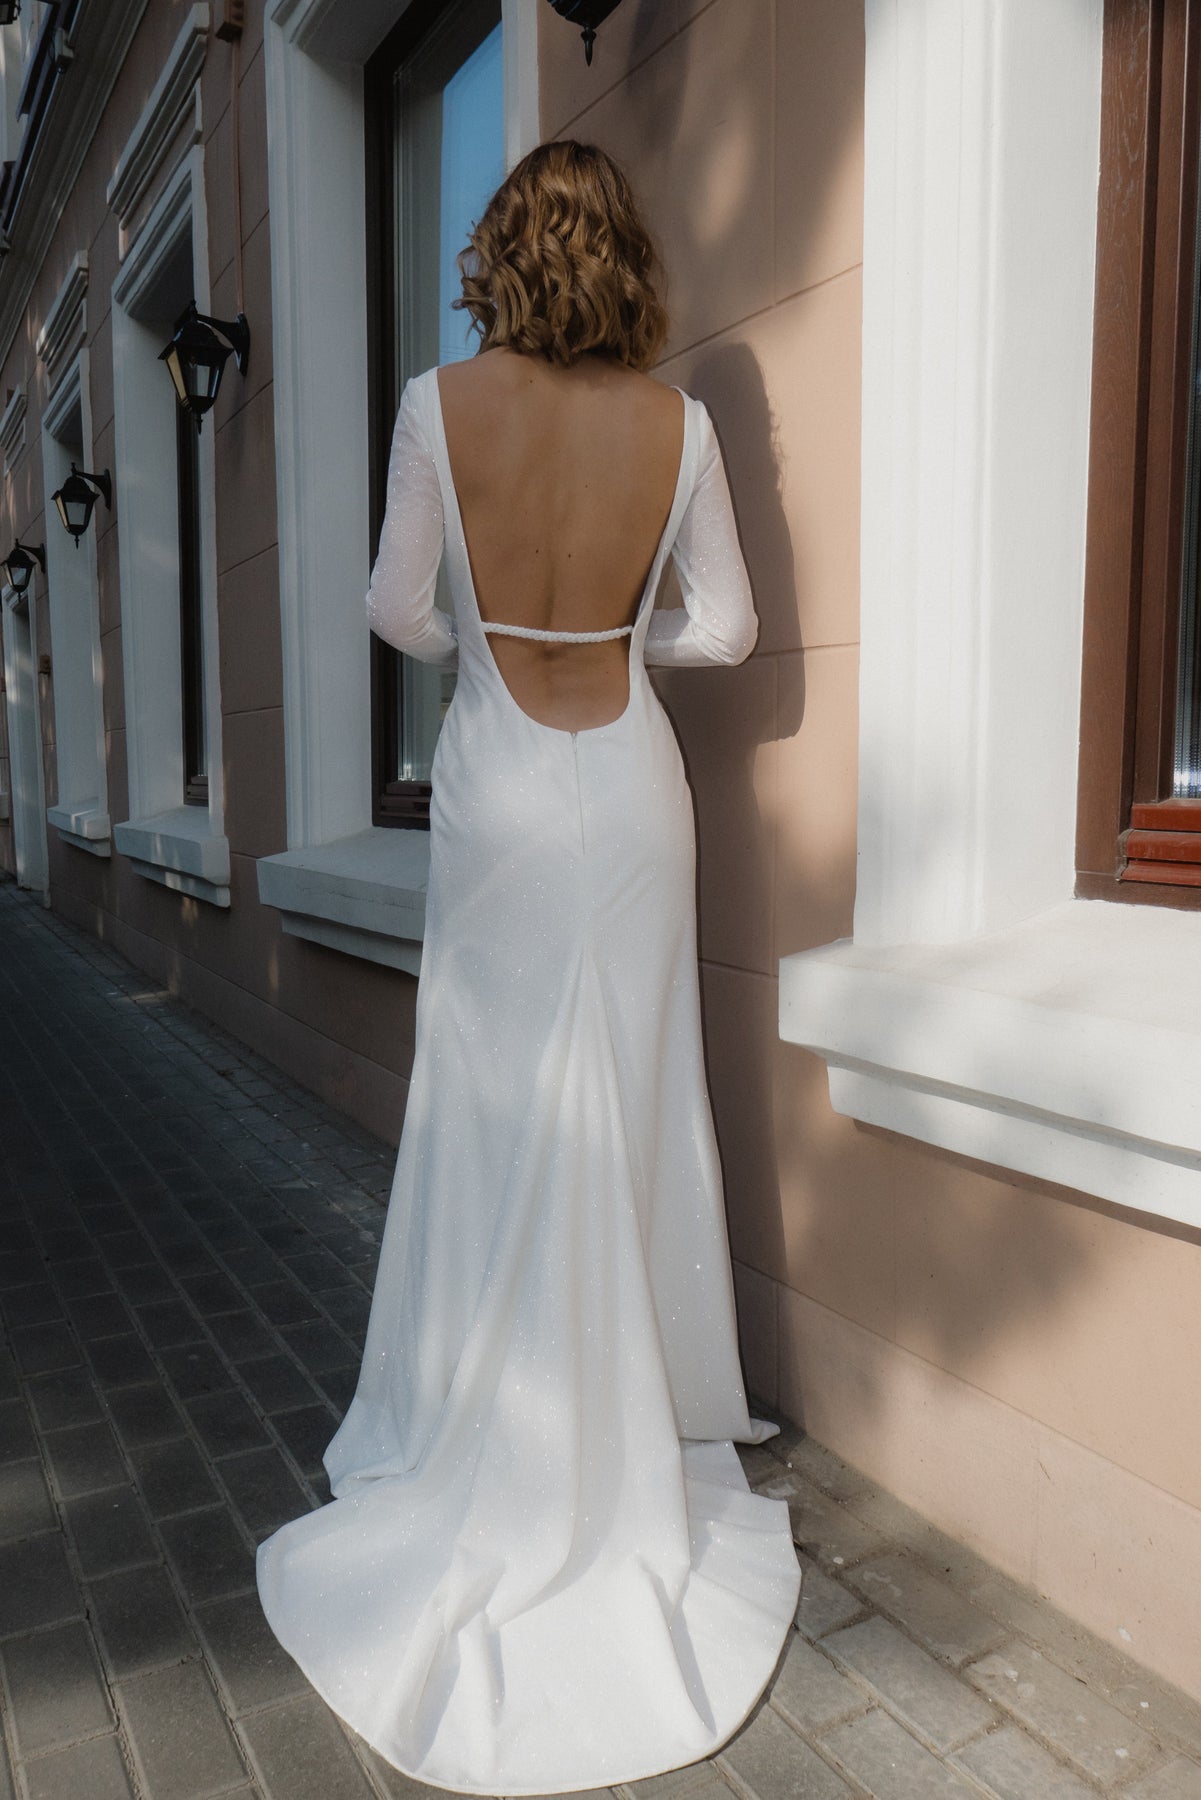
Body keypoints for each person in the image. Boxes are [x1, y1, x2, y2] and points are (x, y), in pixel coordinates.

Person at [255, 138, 801, 1795]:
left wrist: (492, 650)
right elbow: (729, 631)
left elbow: (392, 604)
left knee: (490, 1109)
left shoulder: (437, 406)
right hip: (628, 789)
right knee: (633, 1096)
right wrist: (620, 635)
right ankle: (648, 1407)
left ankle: (479, 1419)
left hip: (498, 792)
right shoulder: (680, 425)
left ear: (498, 252)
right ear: (624, 257)